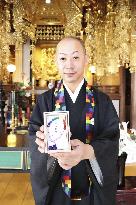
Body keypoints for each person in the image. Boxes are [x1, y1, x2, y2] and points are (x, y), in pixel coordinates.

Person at [29, 36, 119, 205]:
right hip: (56, 192)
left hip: (93, 194)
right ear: (56, 61)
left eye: (76, 57)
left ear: (86, 60)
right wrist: (41, 144)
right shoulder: (45, 101)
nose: (69, 65)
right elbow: (34, 138)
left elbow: (112, 140)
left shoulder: (103, 101)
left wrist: (88, 151)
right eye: (63, 58)